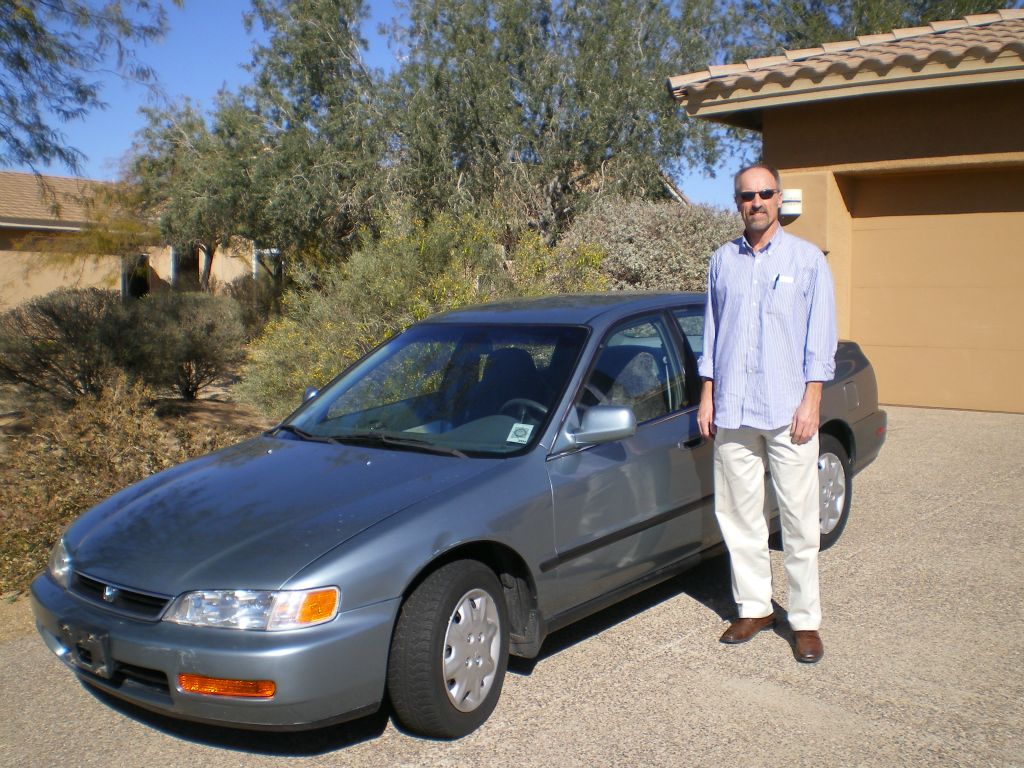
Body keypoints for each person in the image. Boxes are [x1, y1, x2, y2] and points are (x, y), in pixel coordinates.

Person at [697, 163, 837, 663]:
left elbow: (820, 339)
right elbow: (712, 335)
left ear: (779, 199)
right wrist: (708, 394)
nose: (755, 202)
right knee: (739, 518)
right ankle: (755, 606)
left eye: (764, 193)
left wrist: (812, 400)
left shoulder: (807, 261)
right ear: (737, 203)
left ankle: (804, 620)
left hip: (787, 411)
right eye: (746, 196)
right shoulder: (721, 261)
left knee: (799, 520)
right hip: (733, 408)